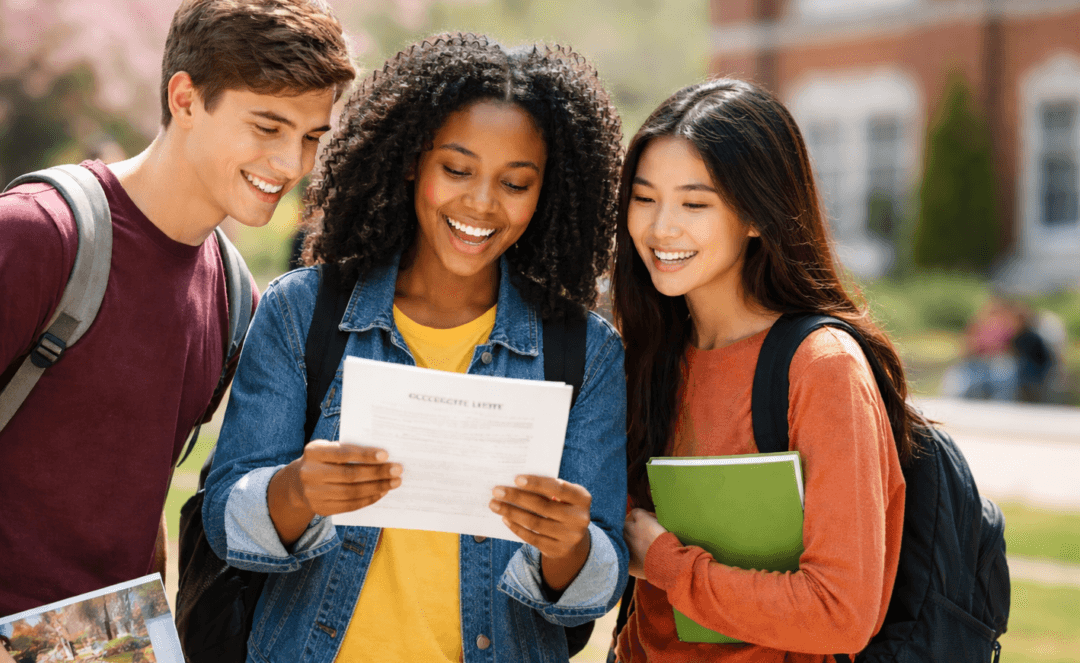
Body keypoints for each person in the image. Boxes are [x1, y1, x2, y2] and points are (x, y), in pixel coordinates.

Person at [0, 1, 354, 661]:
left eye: (312, 137)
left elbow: (128, 501)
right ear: (185, 98)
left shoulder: (235, 298)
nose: (291, 163)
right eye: (268, 126)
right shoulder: (35, 236)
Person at [202, 33, 627, 663]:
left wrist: (569, 545)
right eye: (456, 170)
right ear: (411, 161)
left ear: (547, 193)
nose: (481, 203)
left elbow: (596, 585)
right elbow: (224, 520)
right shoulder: (303, 311)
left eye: (515, 183)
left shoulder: (586, 353)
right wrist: (297, 491)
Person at [612, 79, 923, 662]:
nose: (661, 229)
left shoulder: (823, 368)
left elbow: (839, 612)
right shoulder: (644, 355)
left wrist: (665, 565)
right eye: (645, 197)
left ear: (757, 215)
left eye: (695, 203)